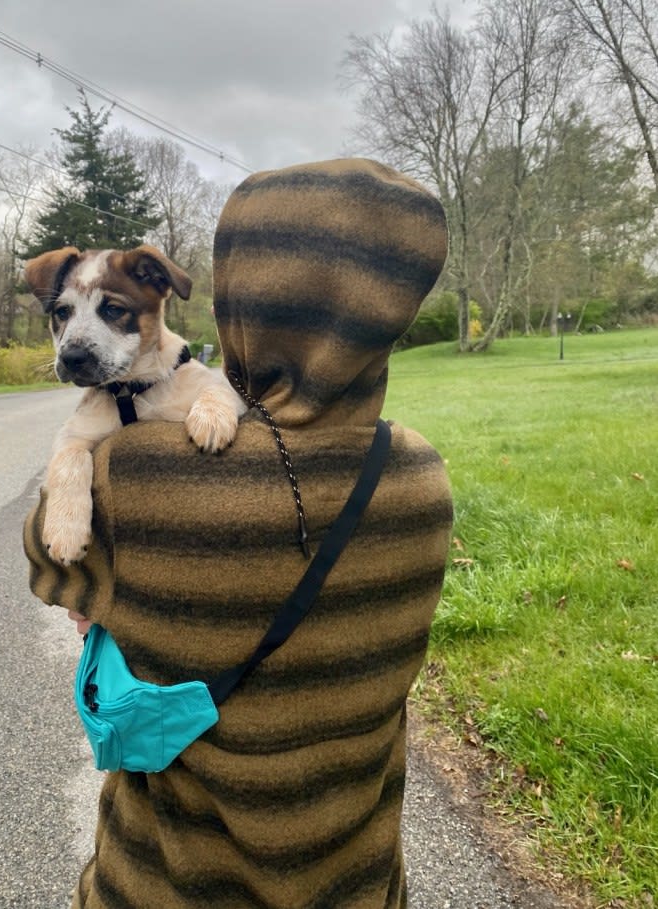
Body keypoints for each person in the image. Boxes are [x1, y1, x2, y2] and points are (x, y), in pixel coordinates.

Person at [24, 157, 453, 909]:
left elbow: (51, 557)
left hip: (165, 885)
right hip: (353, 882)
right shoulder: (420, 474)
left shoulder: (136, 472)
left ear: (243, 297)